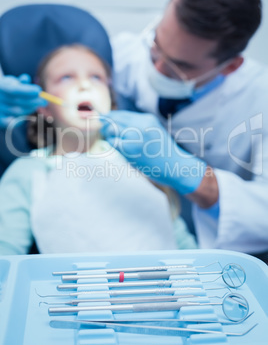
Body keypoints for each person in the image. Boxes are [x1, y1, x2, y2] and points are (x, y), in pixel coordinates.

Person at [100, 0, 268, 260]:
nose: (157, 68)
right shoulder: (131, 51)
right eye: (156, 44)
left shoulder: (260, 100)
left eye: (181, 66)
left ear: (230, 66)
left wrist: (192, 175)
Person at [0, 43, 197, 255]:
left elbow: (182, 244)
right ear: (45, 108)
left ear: (110, 101)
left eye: (96, 78)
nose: (85, 85)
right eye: (66, 77)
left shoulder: (138, 160)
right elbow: (5, 258)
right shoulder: (28, 172)